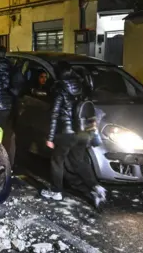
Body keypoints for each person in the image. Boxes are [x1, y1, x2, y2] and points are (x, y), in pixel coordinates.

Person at [41, 62, 106, 206]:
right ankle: (96, 187)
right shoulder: (81, 86)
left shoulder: (60, 89)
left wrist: (50, 138)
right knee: (79, 161)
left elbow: (55, 114)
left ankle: (56, 191)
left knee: (57, 161)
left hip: (66, 132)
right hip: (83, 130)